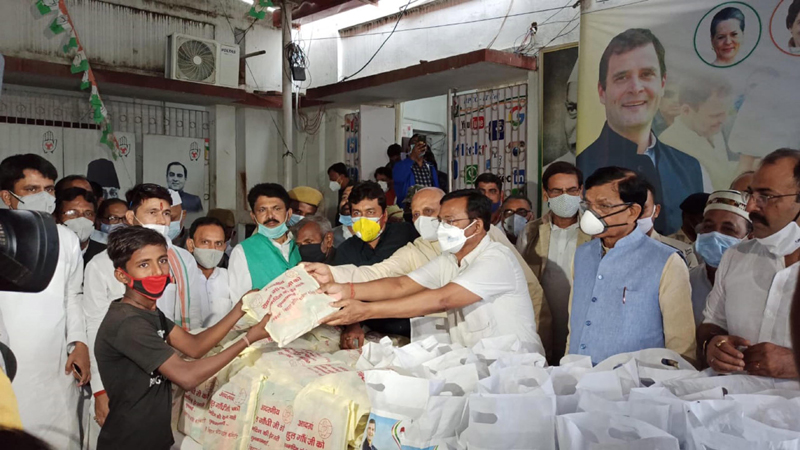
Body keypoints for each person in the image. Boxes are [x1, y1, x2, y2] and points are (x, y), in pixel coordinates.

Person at [306, 187, 550, 352]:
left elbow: (442, 299)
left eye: (449, 221)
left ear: (477, 226)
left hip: (514, 366)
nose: (439, 226)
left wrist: (366, 311)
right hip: (474, 359)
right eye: (441, 220)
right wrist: (340, 283)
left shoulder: (496, 257)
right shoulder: (447, 258)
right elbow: (399, 283)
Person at [94, 226, 270, 450]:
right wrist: (248, 339)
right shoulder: (128, 324)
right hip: (130, 441)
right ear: (121, 275)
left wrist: (240, 308)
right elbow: (187, 376)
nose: (158, 272)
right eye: (144, 265)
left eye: (162, 261)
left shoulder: (148, 312)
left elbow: (194, 346)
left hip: (153, 438)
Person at [84, 183, 209, 428]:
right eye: (152, 212)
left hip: (175, 373)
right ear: (131, 217)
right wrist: (100, 390)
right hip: (125, 379)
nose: (162, 221)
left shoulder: (184, 259)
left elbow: (195, 318)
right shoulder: (102, 264)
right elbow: (95, 328)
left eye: (166, 214)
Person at [576, 28, 710, 236]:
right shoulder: (577, 170)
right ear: (602, 91)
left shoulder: (694, 170)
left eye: (647, 74)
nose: (636, 88)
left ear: (662, 83)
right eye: (621, 77)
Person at [0, 154, 89, 448]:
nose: (43, 198)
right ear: (7, 196)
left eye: (49, 190)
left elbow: (72, 295)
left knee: (59, 436)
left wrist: (79, 343)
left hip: (54, 365)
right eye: (31, 190)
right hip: (8, 363)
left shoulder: (66, 238)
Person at [568, 167, 696, 365]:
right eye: (588, 205)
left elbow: (681, 345)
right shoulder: (583, 255)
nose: (592, 214)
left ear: (632, 212)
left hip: (636, 387)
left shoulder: (666, 261)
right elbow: (574, 324)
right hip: (577, 378)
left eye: (604, 206)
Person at [699, 149, 800, 378]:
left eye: (765, 197)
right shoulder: (736, 256)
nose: (750, 208)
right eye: (750, 195)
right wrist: (713, 344)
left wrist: (793, 364)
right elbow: (712, 323)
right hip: (732, 402)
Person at [519, 162, 591, 363]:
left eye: (571, 190)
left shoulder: (595, 231)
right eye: (557, 191)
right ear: (546, 194)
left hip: (582, 319)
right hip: (542, 318)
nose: (565, 196)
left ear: (581, 191)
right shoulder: (531, 232)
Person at [332, 181, 419, 338]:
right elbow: (342, 295)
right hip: (371, 328)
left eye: (370, 212)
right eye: (357, 213)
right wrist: (353, 326)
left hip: (414, 323)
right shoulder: (345, 250)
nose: (363, 219)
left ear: (384, 215)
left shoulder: (405, 235)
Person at [659, 74, 738, 190]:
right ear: (686, 111)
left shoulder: (712, 130)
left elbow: (721, 171)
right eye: (715, 115)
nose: (723, 120)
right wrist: (745, 165)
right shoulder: (669, 147)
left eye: (725, 113)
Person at [229, 183, 300, 302]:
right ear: (253, 216)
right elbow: (239, 302)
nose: (270, 216)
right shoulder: (243, 251)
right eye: (262, 210)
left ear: (289, 214)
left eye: (277, 209)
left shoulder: (300, 245)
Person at [689, 190, 751, 326]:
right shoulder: (688, 281)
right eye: (708, 227)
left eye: (728, 229)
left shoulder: (757, 284)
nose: (715, 235)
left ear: (749, 237)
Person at [640, 180, 698, 268]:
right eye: (629, 209)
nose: (635, 215)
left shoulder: (681, 252)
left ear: (656, 211)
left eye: (643, 209)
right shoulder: (612, 250)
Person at [186, 217, 233, 327]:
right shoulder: (181, 279)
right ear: (191, 245)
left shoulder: (229, 278)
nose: (213, 248)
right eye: (205, 242)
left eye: (219, 243)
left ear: (225, 246)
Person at [393, 134, 439, 205]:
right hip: (409, 208)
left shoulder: (430, 167)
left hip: (428, 205)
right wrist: (412, 157)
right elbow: (398, 180)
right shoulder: (400, 165)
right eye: (414, 143)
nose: (418, 145)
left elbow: (436, 189)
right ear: (409, 148)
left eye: (421, 143)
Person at [56, 187, 99, 257]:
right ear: (57, 217)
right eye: (72, 213)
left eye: (88, 214)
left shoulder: (106, 254)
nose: (81, 218)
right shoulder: (48, 251)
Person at [86, 199, 128, 264]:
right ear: (99, 220)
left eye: (125, 218)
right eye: (113, 218)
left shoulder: (133, 243)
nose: (121, 222)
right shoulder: (89, 243)